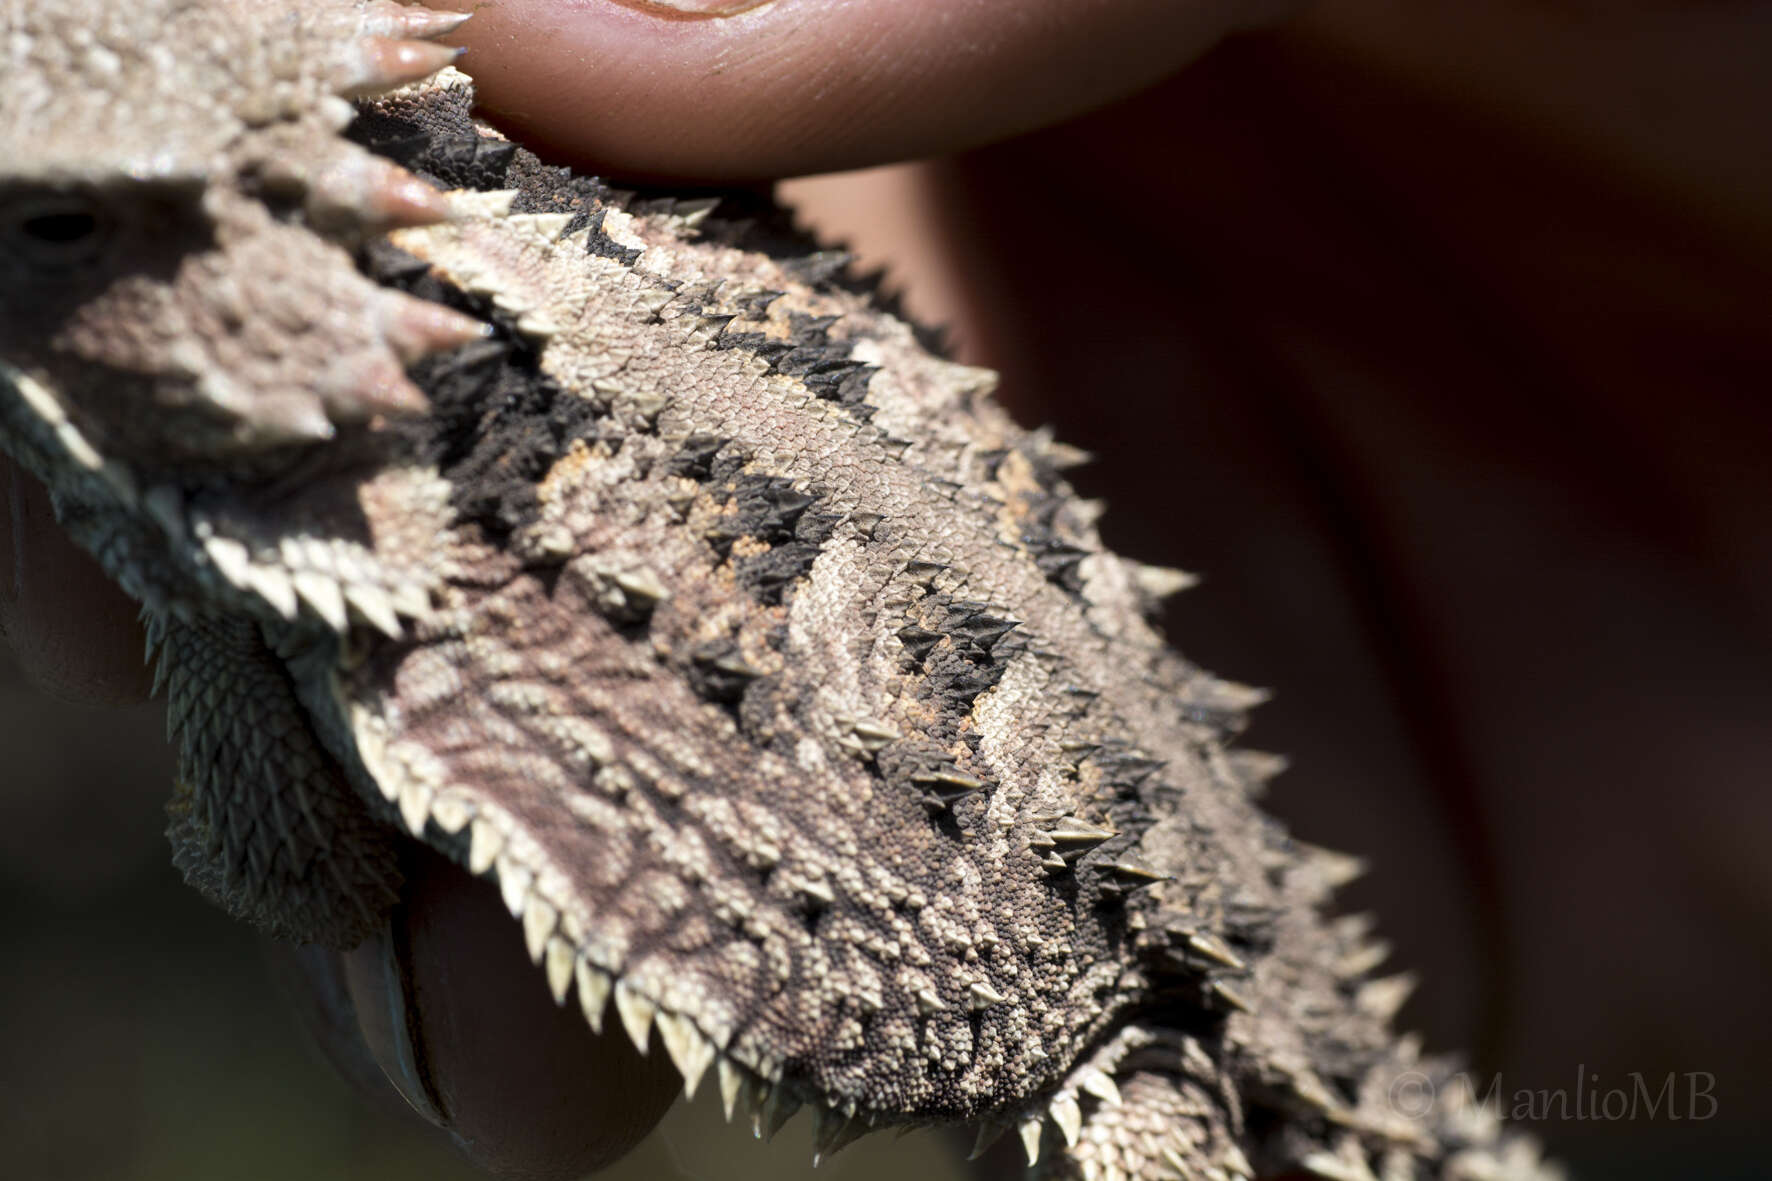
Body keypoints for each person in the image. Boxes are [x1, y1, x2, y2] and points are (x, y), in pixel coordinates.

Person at [5, 2, 1768, 1176]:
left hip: (1149, 1035)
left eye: (57, 234)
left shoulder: (309, 480)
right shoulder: (400, 292)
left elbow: (284, 855)